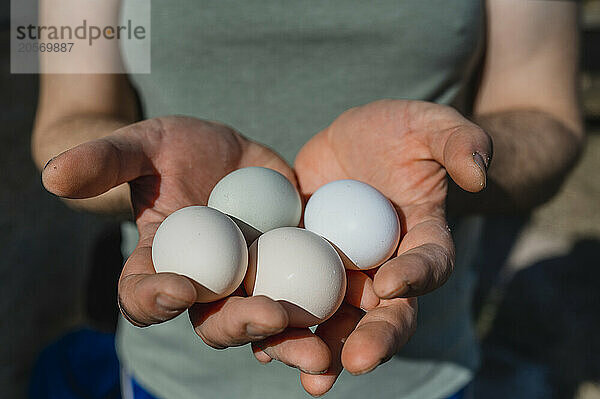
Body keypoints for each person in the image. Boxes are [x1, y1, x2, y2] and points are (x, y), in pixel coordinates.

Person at [32, 0, 583, 398]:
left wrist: (440, 166)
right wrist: (144, 172)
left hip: (420, 368)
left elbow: (548, 118)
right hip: (173, 375)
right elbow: (64, 118)